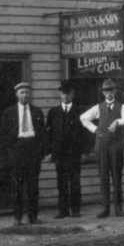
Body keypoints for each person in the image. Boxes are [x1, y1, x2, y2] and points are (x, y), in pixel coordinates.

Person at [0, 82, 48, 225]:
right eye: (22, 92)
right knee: (17, 186)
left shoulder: (37, 111)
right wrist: (9, 153)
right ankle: (18, 217)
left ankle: (33, 216)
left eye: (27, 92)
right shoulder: (9, 112)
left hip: (33, 149)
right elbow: (3, 135)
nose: (25, 95)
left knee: (33, 185)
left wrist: (41, 152)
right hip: (17, 150)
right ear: (16, 94)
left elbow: (43, 134)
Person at [80, 78, 124, 218]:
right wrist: (95, 130)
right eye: (106, 91)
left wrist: (117, 121)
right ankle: (105, 208)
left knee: (117, 177)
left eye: (111, 90)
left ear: (115, 91)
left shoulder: (122, 107)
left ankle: (118, 208)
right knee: (103, 177)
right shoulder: (98, 107)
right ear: (103, 93)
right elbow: (83, 118)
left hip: (116, 145)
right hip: (101, 146)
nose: (109, 93)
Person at [46, 80, 88, 219]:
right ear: (60, 94)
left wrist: (84, 152)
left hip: (74, 153)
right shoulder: (53, 112)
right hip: (60, 154)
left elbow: (85, 133)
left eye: (68, 93)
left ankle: (75, 210)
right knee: (62, 183)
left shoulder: (80, 112)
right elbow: (49, 134)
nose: (65, 96)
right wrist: (50, 151)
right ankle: (63, 210)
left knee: (75, 182)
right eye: (63, 93)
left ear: (72, 94)